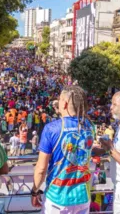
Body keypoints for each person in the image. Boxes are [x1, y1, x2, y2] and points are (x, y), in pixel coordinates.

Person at [32, 85, 95, 213]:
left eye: (59, 99)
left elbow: (41, 169)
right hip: (82, 197)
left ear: (65, 104)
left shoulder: (52, 129)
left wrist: (34, 191)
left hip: (57, 198)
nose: (58, 102)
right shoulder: (89, 125)